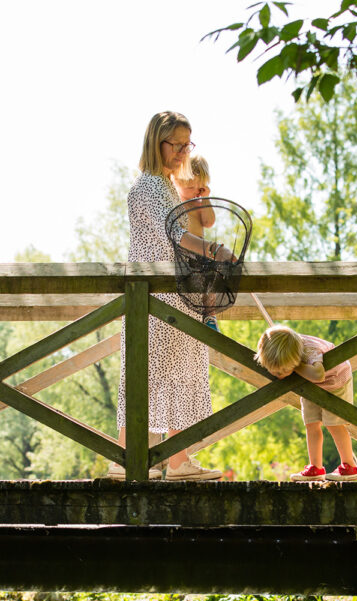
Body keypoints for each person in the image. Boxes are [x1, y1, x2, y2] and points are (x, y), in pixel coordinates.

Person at [109, 111, 233, 482]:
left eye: (187, 145)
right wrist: (214, 251)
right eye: (175, 144)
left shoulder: (164, 184)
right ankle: (127, 461)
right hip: (154, 296)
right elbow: (174, 234)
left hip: (173, 294)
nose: (182, 152)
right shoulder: (147, 186)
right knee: (146, 374)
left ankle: (174, 461)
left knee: (175, 375)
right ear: (156, 142)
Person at [255, 324, 357, 482]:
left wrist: (296, 366)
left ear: (295, 360)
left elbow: (318, 375)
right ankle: (315, 467)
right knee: (311, 423)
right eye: (275, 371)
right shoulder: (281, 349)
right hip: (310, 386)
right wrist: (288, 366)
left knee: (334, 423)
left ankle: (349, 467)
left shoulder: (309, 350)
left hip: (335, 381)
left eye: (283, 370)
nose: (279, 375)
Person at [172, 154, 220, 330]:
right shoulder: (175, 201)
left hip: (200, 250)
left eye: (198, 187)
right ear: (177, 180)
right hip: (182, 250)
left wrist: (205, 199)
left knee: (211, 275)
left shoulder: (198, 204)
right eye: (190, 186)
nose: (194, 191)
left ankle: (210, 315)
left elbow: (209, 222)